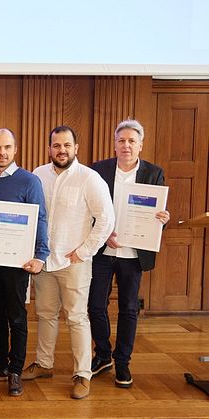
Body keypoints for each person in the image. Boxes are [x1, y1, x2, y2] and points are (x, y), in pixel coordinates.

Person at [24, 126, 115, 400]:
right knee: (45, 314)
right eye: (56, 145)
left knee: (76, 317)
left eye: (66, 145)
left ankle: (82, 374)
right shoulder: (37, 176)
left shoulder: (90, 178)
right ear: (49, 148)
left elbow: (106, 219)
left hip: (74, 262)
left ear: (76, 147)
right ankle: (44, 364)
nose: (61, 150)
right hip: (44, 262)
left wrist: (84, 251)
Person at [89, 119, 170, 389]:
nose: (126, 145)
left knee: (129, 308)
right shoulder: (98, 170)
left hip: (134, 253)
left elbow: (157, 213)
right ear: (114, 144)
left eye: (131, 141)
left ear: (140, 146)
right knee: (95, 306)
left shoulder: (153, 173)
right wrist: (102, 234)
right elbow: (88, 209)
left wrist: (163, 218)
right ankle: (102, 355)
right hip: (103, 249)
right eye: (121, 140)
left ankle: (122, 361)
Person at [0, 128, 49, 396]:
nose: (2, 152)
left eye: (7, 147)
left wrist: (40, 254)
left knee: (16, 316)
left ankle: (15, 369)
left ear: (15, 150)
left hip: (18, 263)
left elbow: (40, 218)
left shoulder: (30, 181)